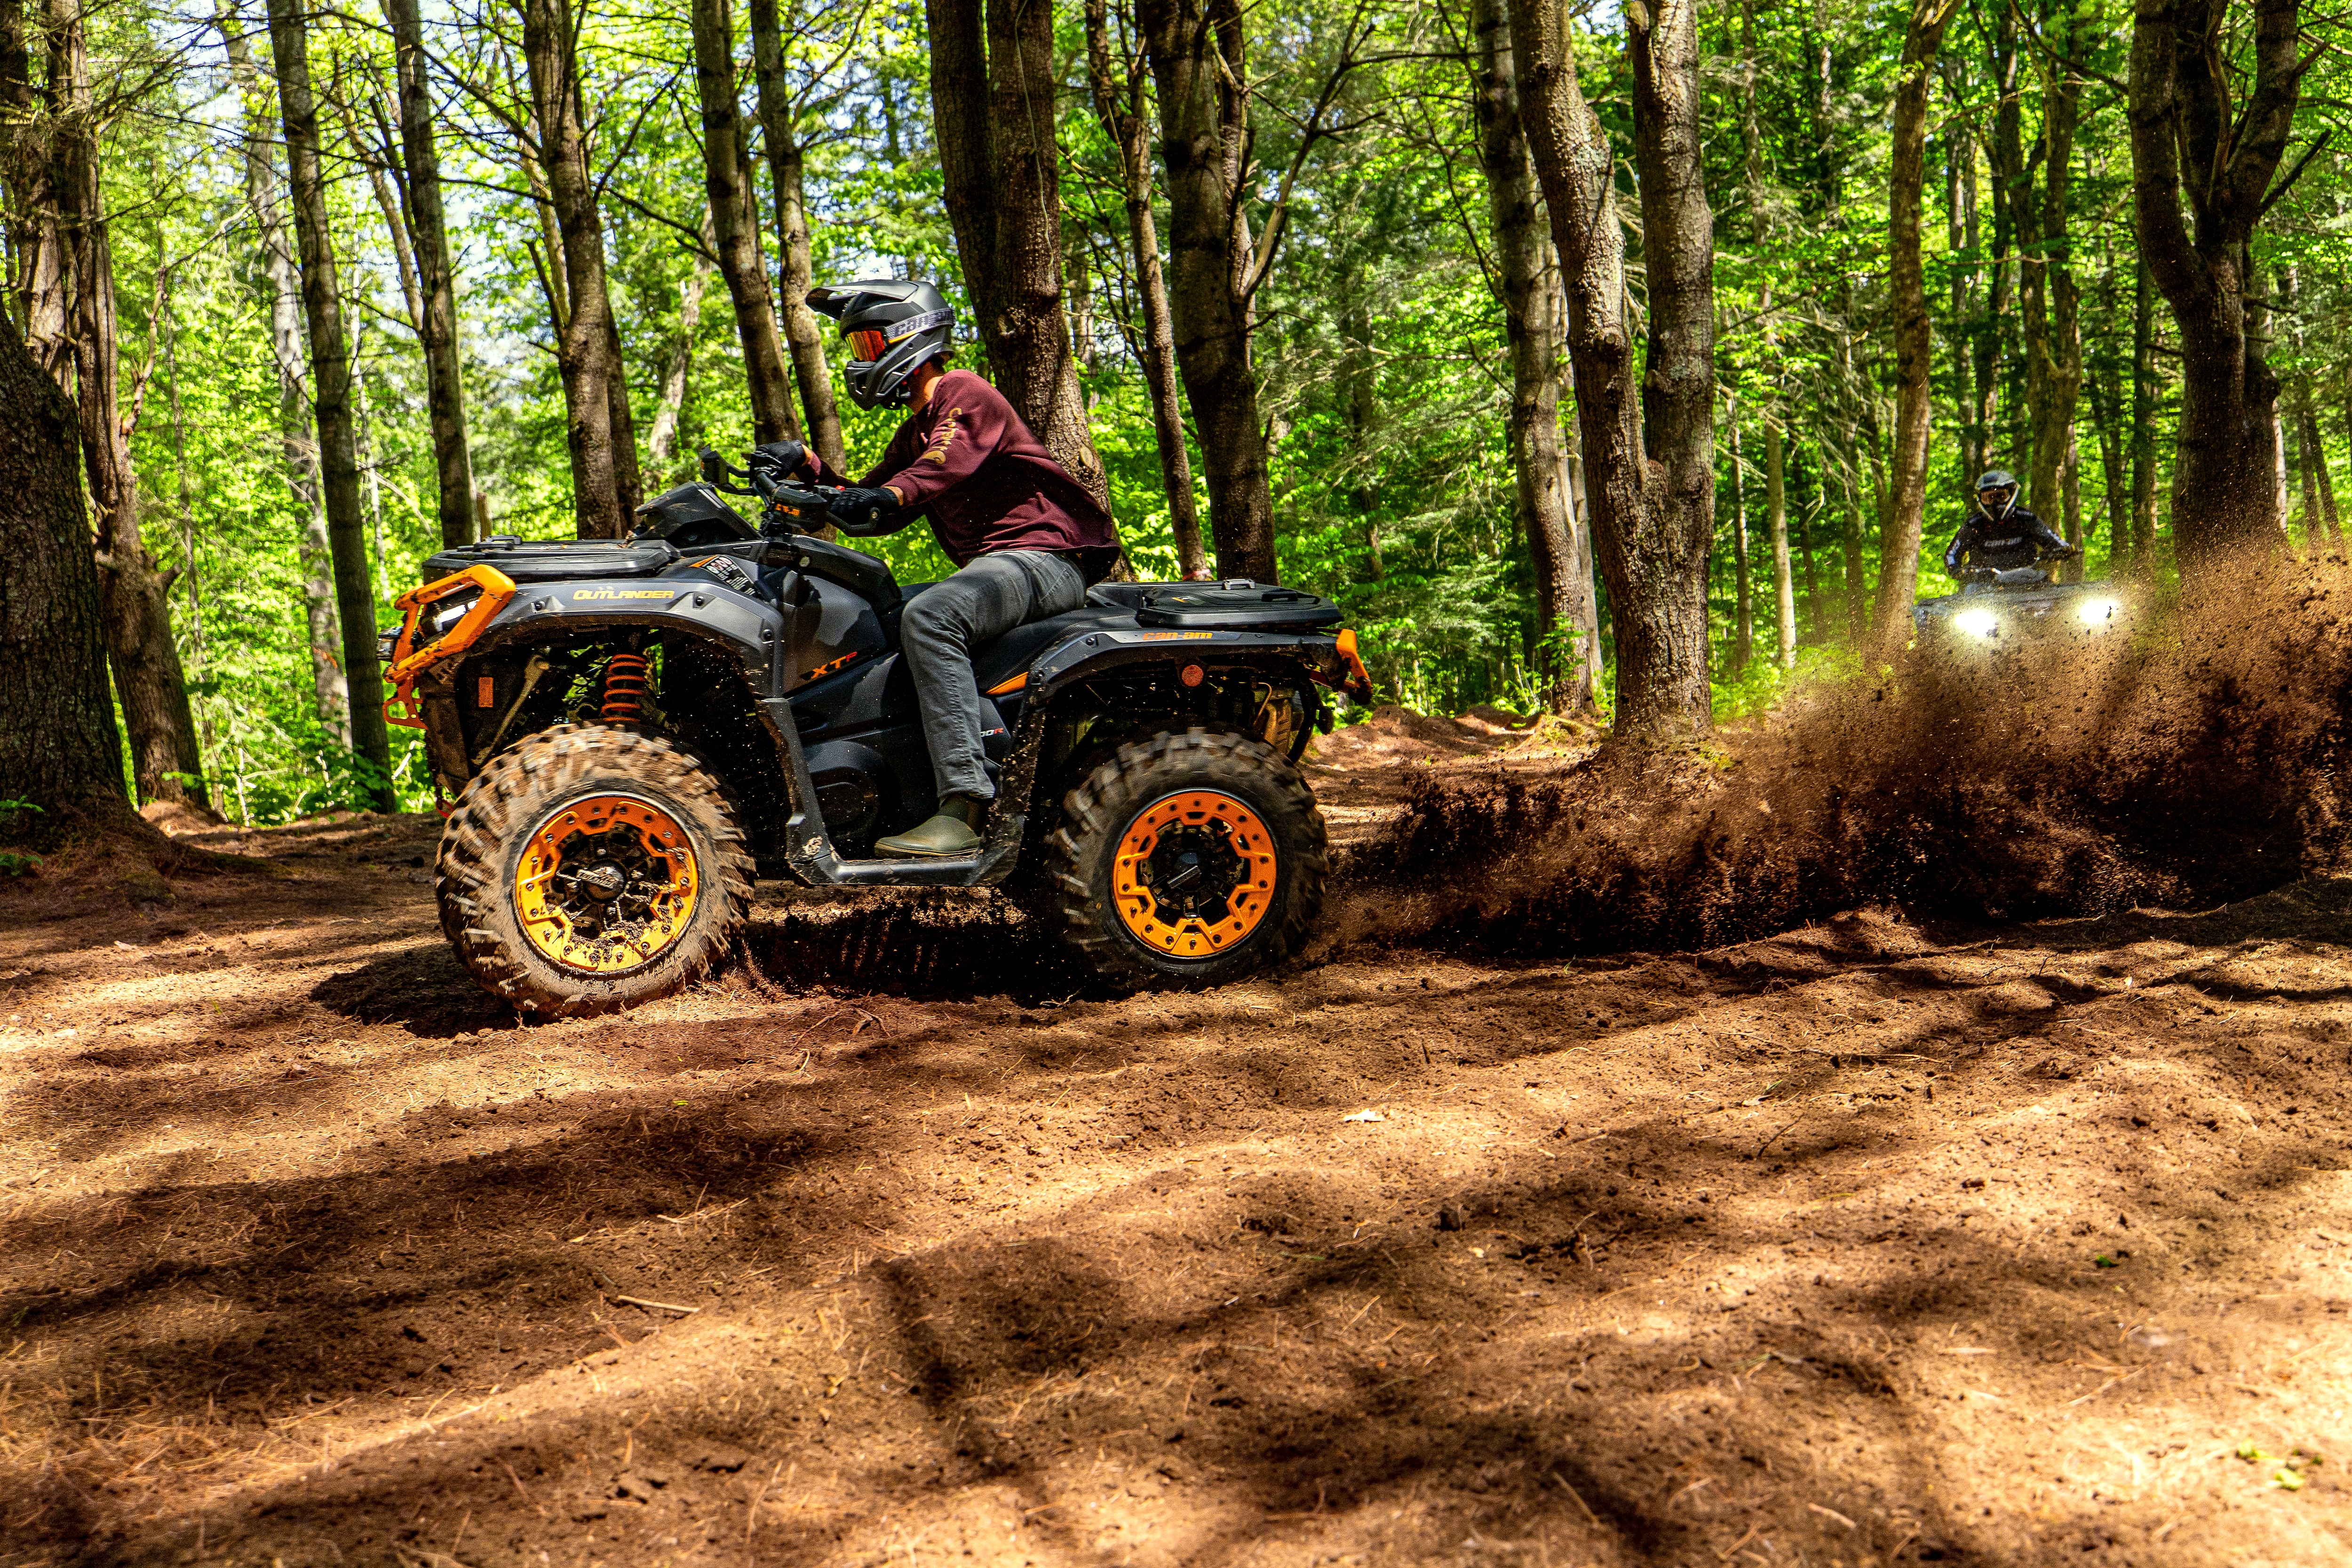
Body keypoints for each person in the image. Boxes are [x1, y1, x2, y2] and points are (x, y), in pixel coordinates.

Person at [771, 279, 1120, 858]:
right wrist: (806, 467)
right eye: (855, 349)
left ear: (909, 335)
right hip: (1005, 566)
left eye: (867, 344)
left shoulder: (964, 392)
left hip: (1047, 557)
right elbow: (869, 504)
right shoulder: (916, 432)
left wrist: (889, 496)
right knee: (876, 620)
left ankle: (965, 805)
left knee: (931, 615)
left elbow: (940, 466)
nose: (862, 359)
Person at [1943, 468, 2077, 583]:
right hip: (1984, 585)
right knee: (1970, 596)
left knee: (2054, 596)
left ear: (2012, 494)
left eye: (2001, 496)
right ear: (1981, 499)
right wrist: (1957, 570)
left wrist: (2064, 549)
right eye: (1989, 498)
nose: (1995, 503)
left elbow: (2055, 541)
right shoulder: (1974, 525)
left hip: (2028, 579)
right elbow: (1951, 555)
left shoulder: (2026, 519)